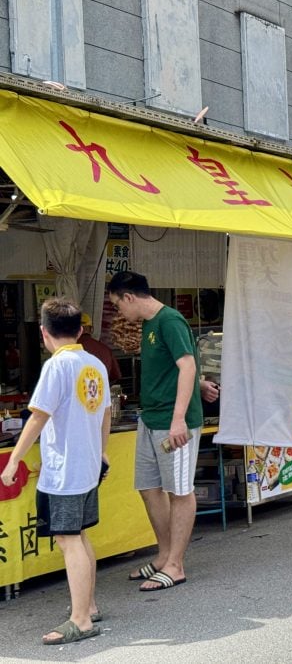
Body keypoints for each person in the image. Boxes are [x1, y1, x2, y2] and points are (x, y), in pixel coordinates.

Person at [1, 299, 110, 645]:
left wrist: (14, 459)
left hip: (64, 469)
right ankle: (88, 606)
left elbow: (38, 416)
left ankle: (80, 619)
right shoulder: (95, 363)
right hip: (88, 463)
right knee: (79, 535)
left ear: (44, 333)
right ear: (80, 330)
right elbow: (106, 413)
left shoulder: (56, 366)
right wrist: (102, 452)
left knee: (69, 539)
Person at [107, 271, 218, 592]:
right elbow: (178, 369)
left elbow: (188, 364)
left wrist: (180, 418)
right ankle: (164, 554)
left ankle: (176, 565)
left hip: (173, 423)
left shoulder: (169, 321)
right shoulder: (150, 325)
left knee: (179, 490)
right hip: (151, 418)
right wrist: (198, 387)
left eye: (118, 305)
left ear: (129, 297)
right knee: (148, 486)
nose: (120, 313)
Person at [78, 313, 122, 384]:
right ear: (91, 329)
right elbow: (116, 375)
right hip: (101, 392)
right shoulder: (105, 349)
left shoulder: (69, 350)